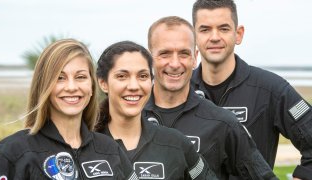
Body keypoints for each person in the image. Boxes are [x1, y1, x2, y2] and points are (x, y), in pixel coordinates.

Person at [143, 16, 278, 179]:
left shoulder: (223, 123)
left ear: (195, 57)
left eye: (184, 54)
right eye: (165, 54)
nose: (175, 63)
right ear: (149, 58)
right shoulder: (127, 119)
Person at [191, 0, 312, 179]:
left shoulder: (272, 90)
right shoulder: (178, 92)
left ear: (238, 34)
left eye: (224, 28)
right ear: (193, 36)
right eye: (205, 29)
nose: (214, 37)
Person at [0, 39, 138, 180]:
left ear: (92, 87)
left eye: (80, 77)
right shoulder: (13, 152)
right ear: (44, 86)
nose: (71, 87)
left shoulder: (110, 149)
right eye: (60, 78)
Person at [95, 40, 217, 179]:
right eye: (122, 76)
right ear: (103, 83)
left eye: (143, 76)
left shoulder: (175, 143)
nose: (134, 86)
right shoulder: (84, 145)